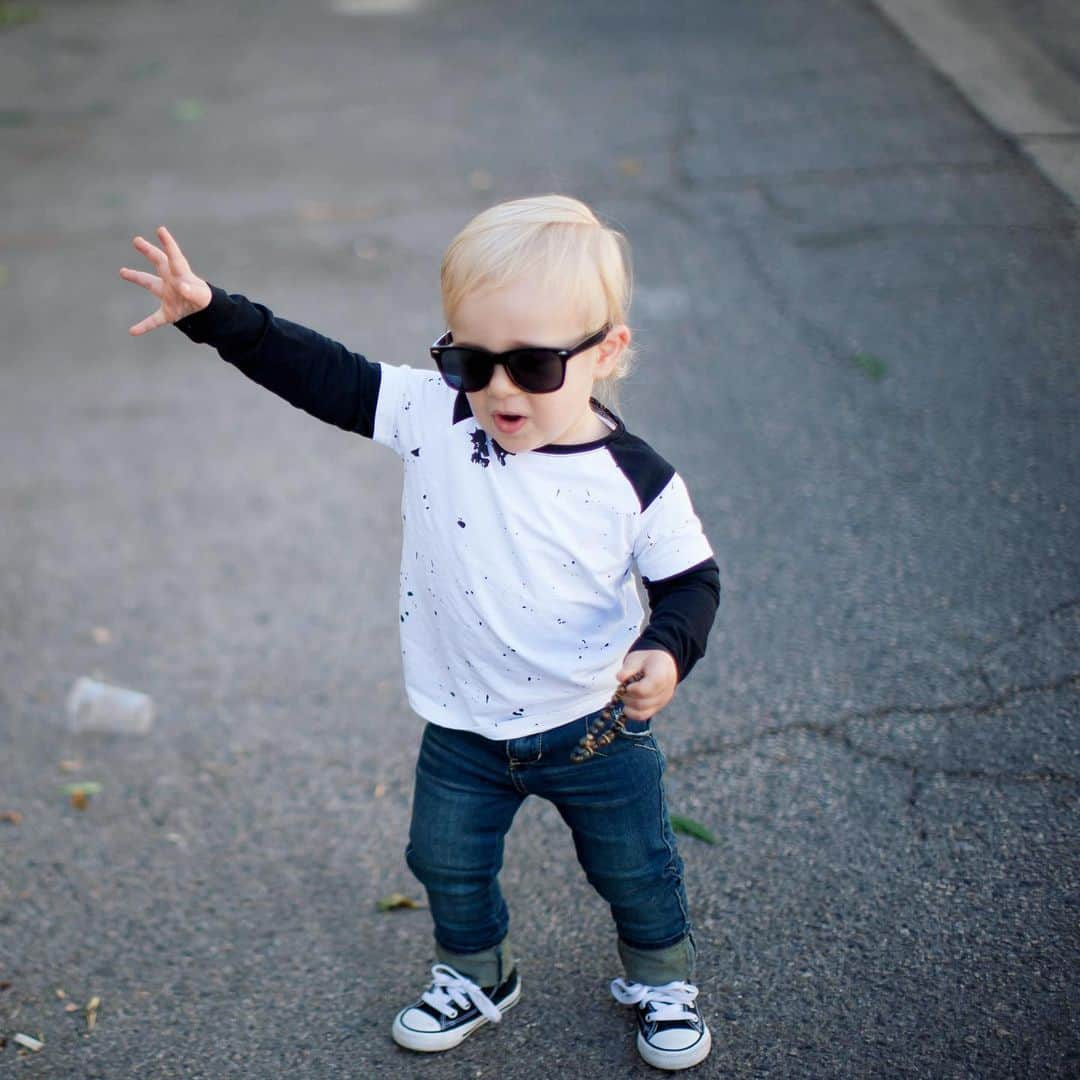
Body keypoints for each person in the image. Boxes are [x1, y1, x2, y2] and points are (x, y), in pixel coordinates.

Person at [120, 195, 721, 1071]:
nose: (498, 389)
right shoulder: (436, 418)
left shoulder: (634, 479)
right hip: (463, 725)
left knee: (633, 868)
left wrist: (668, 649)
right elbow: (321, 372)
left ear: (607, 352)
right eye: (470, 361)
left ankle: (661, 979)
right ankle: (478, 972)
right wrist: (215, 314)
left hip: (595, 723)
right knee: (443, 861)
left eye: (534, 366)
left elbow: (690, 582)